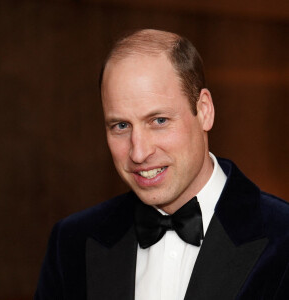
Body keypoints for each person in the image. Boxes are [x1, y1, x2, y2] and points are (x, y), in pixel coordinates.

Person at [34, 29, 289, 300]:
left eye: (159, 121)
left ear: (204, 111)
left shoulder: (282, 237)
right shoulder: (71, 243)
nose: (139, 152)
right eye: (121, 126)